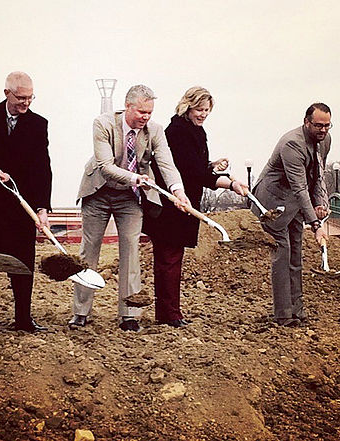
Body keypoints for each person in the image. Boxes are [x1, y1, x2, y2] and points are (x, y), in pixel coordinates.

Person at [69, 84, 190, 332]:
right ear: (128, 106)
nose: (145, 117)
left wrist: (179, 192)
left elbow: (167, 163)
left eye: (149, 112)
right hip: (98, 192)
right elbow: (105, 165)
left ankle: (129, 314)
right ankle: (80, 312)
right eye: (141, 112)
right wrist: (135, 177)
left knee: (131, 251)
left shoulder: (154, 130)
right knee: (89, 252)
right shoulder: (102, 124)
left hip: (130, 198)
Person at [143, 86, 246, 327]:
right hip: (172, 206)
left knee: (172, 259)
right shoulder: (178, 131)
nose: (203, 114)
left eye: (207, 110)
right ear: (187, 106)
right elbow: (190, 171)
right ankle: (169, 314)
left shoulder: (194, 131)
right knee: (168, 260)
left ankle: (170, 312)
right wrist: (229, 184)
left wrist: (211, 166)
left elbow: (194, 167)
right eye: (199, 109)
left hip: (185, 202)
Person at [0, 71, 52, 333]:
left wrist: (41, 208)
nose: (26, 103)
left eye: (30, 97)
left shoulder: (38, 124)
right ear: (7, 93)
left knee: (23, 265)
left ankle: (23, 320)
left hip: (20, 208)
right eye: (21, 97)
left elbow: (42, 167)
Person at [251, 103, 331, 326]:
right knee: (283, 254)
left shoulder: (325, 140)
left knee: (296, 254)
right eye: (318, 125)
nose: (323, 130)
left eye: (327, 125)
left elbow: (318, 175)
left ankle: (298, 310)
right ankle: (284, 315)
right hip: (273, 201)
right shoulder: (292, 143)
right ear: (307, 122)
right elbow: (299, 186)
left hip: (295, 202)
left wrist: (321, 204)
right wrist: (315, 225)